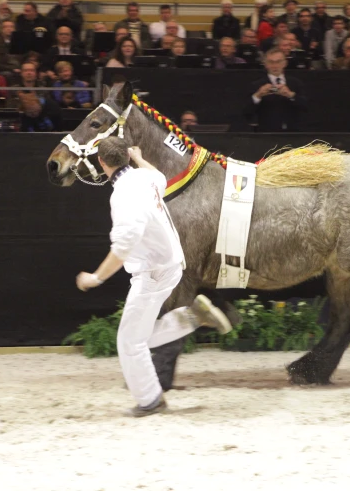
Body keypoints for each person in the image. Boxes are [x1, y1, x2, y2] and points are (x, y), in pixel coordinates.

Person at [75, 138, 232, 417]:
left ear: (101, 163)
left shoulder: (123, 195)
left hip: (153, 273)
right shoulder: (144, 177)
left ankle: (150, 400)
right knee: (140, 336)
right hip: (171, 265)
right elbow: (159, 176)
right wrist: (139, 158)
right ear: (126, 156)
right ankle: (193, 317)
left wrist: (95, 278)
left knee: (129, 342)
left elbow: (122, 248)